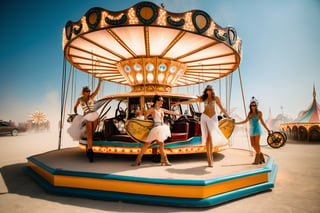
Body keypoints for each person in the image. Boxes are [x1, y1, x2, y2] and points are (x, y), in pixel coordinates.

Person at [174, 85, 230, 167]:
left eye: (210, 89)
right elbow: (191, 102)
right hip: (205, 117)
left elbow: (221, 108)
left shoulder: (216, 98)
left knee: (211, 137)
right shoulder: (203, 98)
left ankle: (211, 158)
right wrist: (179, 103)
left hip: (213, 117)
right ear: (205, 91)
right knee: (207, 138)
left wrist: (227, 116)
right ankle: (209, 159)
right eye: (207, 89)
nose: (208, 91)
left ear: (212, 90)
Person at [132, 95, 182, 166]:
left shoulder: (161, 110)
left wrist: (178, 114)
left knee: (161, 144)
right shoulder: (152, 110)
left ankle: (164, 160)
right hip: (156, 128)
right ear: (156, 101)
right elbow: (145, 117)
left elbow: (169, 112)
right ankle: (138, 159)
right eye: (161, 100)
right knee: (147, 144)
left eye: (162, 101)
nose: (162, 102)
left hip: (161, 128)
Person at [68, 79, 102, 162]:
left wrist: (99, 83)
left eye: (89, 91)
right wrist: (75, 111)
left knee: (92, 133)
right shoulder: (80, 100)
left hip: (94, 114)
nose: (89, 92)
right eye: (87, 91)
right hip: (87, 116)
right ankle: (90, 152)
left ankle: (88, 148)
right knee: (89, 134)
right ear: (83, 92)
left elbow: (97, 91)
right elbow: (75, 106)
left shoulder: (91, 97)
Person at [235, 97, 271, 164]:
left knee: (257, 144)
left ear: (256, 106)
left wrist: (267, 129)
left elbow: (262, 122)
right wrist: (236, 123)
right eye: (251, 105)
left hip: (257, 129)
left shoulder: (259, 113)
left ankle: (257, 160)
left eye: (254, 105)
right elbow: (245, 121)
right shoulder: (249, 113)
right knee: (252, 144)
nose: (252, 106)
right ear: (250, 106)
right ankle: (261, 155)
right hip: (251, 129)